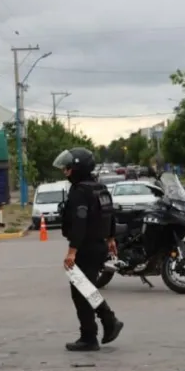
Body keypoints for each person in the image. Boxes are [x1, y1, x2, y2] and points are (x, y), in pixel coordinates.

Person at [54, 147, 125, 351]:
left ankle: (90, 336)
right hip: (99, 244)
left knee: (80, 292)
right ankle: (108, 321)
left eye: (68, 168)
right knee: (86, 289)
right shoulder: (99, 187)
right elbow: (109, 213)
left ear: (77, 168)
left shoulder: (80, 192)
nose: (65, 172)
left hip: (86, 247)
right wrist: (111, 238)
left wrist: (72, 251)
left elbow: (79, 222)